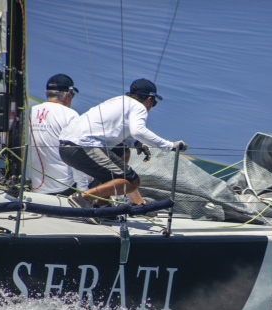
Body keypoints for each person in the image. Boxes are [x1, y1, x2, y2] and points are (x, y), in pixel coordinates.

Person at [59, 78, 187, 215]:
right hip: (83, 146)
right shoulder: (139, 107)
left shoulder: (118, 101)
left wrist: (135, 144)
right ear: (149, 99)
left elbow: (108, 132)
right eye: (154, 103)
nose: (151, 107)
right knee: (131, 180)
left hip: (66, 148)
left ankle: (101, 206)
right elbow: (137, 131)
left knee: (122, 152)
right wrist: (170, 146)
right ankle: (83, 198)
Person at [28, 73, 88, 195]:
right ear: (69, 95)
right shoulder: (70, 115)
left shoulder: (30, 111)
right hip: (64, 187)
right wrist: (83, 190)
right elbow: (76, 155)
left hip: (33, 186)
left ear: (47, 93)